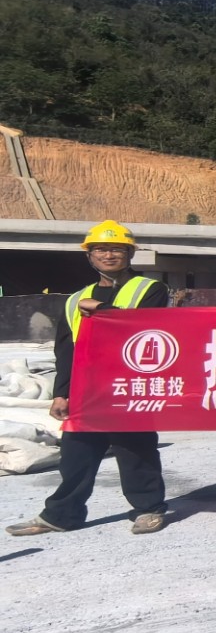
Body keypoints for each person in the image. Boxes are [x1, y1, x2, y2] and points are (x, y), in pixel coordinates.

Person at [7, 221, 170, 539]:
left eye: (116, 249)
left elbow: (145, 329)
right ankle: (61, 514)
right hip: (87, 388)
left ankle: (149, 508)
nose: (108, 255)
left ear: (130, 254)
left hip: (129, 386)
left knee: (135, 450)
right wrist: (61, 393)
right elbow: (65, 349)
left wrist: (102, 310)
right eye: (100, 249)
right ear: (89, 256)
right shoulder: (75, 300)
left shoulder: (151, 289)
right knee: (76, 453)